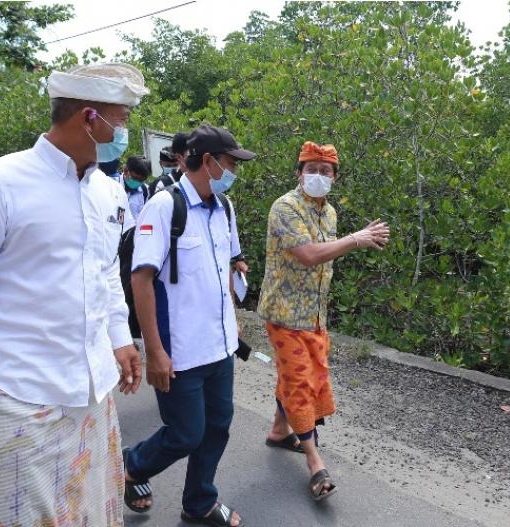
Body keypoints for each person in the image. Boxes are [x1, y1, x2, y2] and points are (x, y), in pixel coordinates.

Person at [0, 62, 148, 526]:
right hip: (17, 394)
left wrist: (120, 338)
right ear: (89, 118)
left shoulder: (108, 193)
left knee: (86, 515)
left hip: (91, 390)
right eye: (120, 119)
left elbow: (104, 275)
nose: (124, 131)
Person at [123, 124, 255, 527]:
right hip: (179, 351)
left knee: (217, 428)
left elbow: (225, 270)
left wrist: (233, 323)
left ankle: (199, 502)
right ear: (209, 162)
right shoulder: (164, 206)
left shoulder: (224, 207)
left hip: (219, 347)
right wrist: (155, 351)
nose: (234, 170)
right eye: (231, 163)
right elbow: (141, 279)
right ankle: (132, 465)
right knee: (185, 434)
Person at [257, 141, 390, 501]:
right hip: (285, 313)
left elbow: (326, 257)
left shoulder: (329, 213)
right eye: (311, 169)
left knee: (301, 376)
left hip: (314, 313)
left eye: (325, 170)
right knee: (301, 382)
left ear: (335, 177)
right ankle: (315, 463)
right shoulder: (285, 207)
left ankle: (279, 430)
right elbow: (309, 256)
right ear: (298, 173)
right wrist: (358, 239)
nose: (317, 176)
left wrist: (355, 238)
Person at [123, 154, 151, 220]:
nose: (137, 182)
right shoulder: (113, 187)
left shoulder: (145, 190)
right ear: (126, 171)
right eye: (135, 178)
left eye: (141, 180)